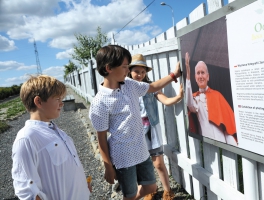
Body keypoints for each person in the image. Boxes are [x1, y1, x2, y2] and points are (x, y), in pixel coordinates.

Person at [89, 45, 181, 200]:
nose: (127, 70)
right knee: (130, 195)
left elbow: (151, 87)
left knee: (151, 187)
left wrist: (173, 75)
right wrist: (108, 167)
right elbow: (101, 138)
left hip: (141, 150)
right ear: (109, 68)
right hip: (122, 156)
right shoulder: (99, 102)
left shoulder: (130, 85)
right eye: (125, 67)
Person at [11, 75, 91, 200]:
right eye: (57, 99)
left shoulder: (54, 129)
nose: (62, 103)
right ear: (38, 102)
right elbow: (27, 191)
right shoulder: (27, 138)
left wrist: (82, 186)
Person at [128, 54, 183, 200]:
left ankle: (167, 191)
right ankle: (149, 189)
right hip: (136, 131)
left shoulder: (151, 87)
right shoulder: (126, 88)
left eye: (143, 71)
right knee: (141, 163)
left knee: (158, 163)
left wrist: (177, 98)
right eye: (136, 71)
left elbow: (164, 100)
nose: (140, 74)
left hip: (151, 129)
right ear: (129, 71)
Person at [185, 52, 238, 146]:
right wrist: (188, 75)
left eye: (203, 73)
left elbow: (227, 125)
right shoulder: (194, 98)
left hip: (222, 142)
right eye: (198, 73)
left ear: (208, 76)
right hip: (207, 145)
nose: (200, 76)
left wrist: (233, 145)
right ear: (195, 78)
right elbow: (189, 104)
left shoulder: (217, 95)